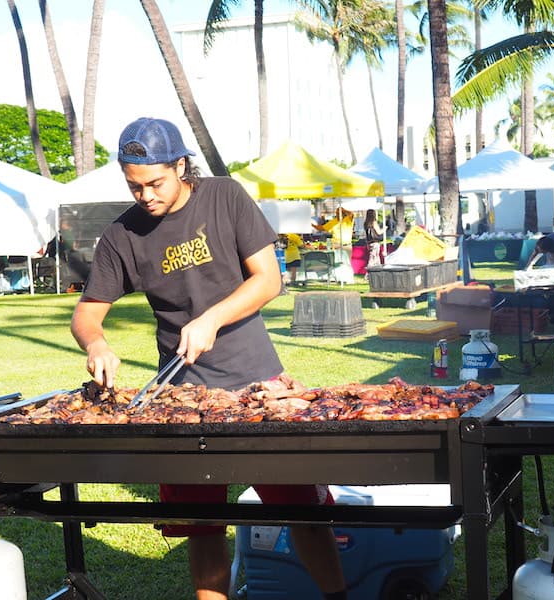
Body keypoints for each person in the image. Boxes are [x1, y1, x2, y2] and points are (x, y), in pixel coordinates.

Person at [70, 117, 347, 600]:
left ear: (181, 165)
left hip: (257, 383)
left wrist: (211, 319)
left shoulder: (225, 196)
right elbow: (86, 315)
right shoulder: (122, 235)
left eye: (155, 182)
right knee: (203, 527)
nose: (146, 196)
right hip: (182, 398)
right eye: (134, 186)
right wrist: (96, 343)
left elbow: (267, 280)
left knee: (303, 509)